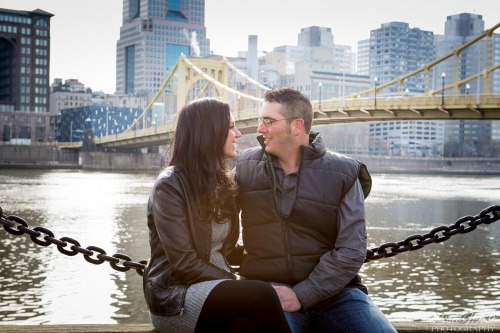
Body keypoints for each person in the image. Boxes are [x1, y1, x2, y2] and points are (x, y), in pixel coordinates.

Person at [235, 88, 396, 333]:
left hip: (338, 294)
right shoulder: (244, 167)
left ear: (297, 126)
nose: (260, 129)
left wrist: (302, 294)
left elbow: (352, 250)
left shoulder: (345, 173)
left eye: (268, 121)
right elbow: (209, 218)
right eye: (260, 120)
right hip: (268, 293)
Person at [143, 97, 291, 333]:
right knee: (261, 294)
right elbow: (184, 264)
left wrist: (276, 259)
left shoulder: (222, 182)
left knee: (245, 326)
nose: (239, 133)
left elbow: (225, 250)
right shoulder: (170, 185)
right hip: (177, 297)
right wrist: (234, 282)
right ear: (209, 132)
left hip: (217, 290)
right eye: (231, 126)